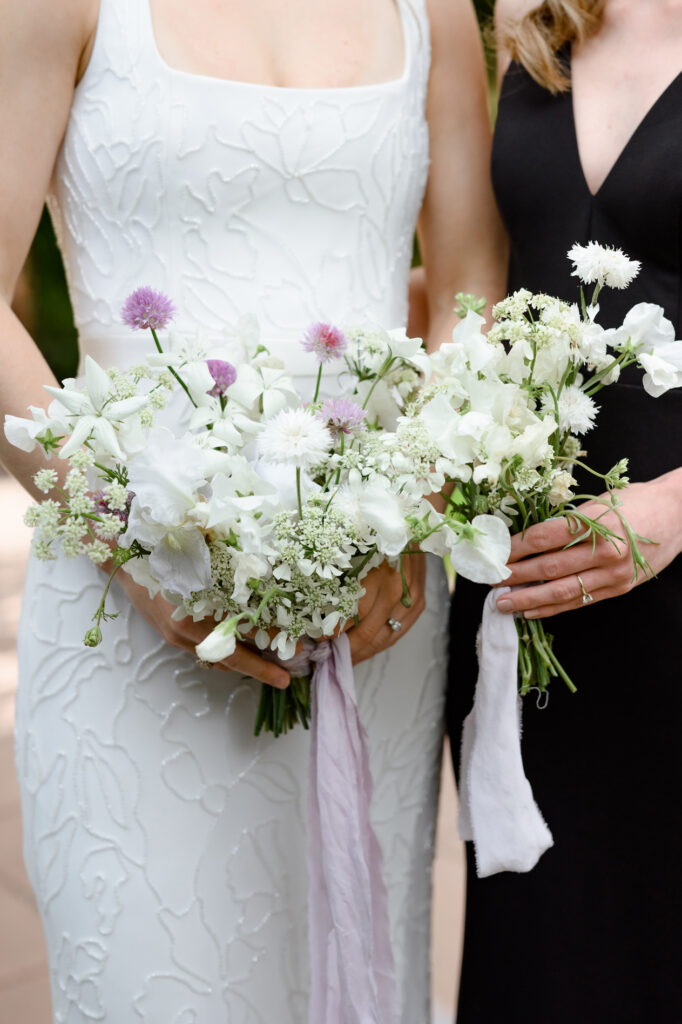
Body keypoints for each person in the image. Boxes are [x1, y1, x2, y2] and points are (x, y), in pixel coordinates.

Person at [0, 0, 505, 1019]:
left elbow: (468, 281)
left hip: (376, 609)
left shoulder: (432, 14)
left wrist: (417, 514)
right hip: (130, 622)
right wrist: (136, 552)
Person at [447, 1, 682, 1021]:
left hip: (675, 567)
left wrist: (678, 506)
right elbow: (474, 281)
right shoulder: (532, 28)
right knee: (546, 951)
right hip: (526, 587)